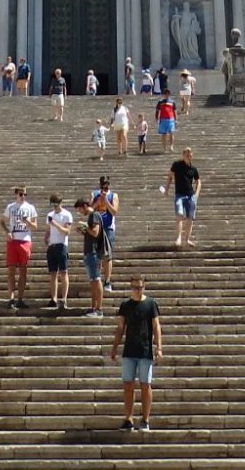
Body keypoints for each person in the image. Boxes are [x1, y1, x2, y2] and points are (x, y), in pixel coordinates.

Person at [108, 275, 162, 431]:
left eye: (140, 287)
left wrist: (159, 347)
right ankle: (128, 418)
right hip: (129, 350)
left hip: (145, 350)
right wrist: (114, 347)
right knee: (128, 385)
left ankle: (145, 419)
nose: (137, 290)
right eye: (134, 287)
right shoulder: (126, 305)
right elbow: (120, 327)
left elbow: (156, 326)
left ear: (144, 287)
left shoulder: (151, 304)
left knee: (145, 385)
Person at [0, 185, 38, 307]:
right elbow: (2, 221)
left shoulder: (30, 208)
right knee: (11, 270)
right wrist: (7, 232)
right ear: (16, 194)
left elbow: (35, 226)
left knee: (23, 271)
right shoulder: (10, 207)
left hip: (25, 240)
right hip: (13, 241)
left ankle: (20, 299)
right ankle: (11, 298)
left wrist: (27, 221)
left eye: (25, 194)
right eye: (21, 194)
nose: (23, 197)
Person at [75, 197, 110, 315]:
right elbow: (92, 233)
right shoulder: (92, 216)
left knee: (96, 279)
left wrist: (84, 225)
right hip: (90, 252)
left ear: (85, 206)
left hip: (93, 253)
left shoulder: (94, 215)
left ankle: (99, 309)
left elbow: (95, 232)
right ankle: (94, 306)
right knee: (92, 281)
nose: (80, 213)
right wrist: (83, 231)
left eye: (80, 210)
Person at [44, 193, 76, 307]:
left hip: (62, 245)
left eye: (56, 204)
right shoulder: (49, 215)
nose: (54, 207)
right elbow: (48, 229)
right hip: (52, 246)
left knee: (63, 272)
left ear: (60, 203)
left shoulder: (67, 215)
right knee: (53, 273)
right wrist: (46, 236)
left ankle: (64, 298)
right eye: (52, 204)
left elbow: (67, 231)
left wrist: (55, 224)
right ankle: (54, 298)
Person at [166, 146, 201, 248]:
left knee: (190, 218)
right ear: (183, 155)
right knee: (179, 215)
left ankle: (187, 239)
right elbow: (170, 177)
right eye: (187, 155)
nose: (189, 157)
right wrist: (167, 189)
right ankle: (179, 238)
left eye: (190, 155)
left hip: (190, 196)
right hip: (179, 195)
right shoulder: (176, 165)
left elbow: (198, 181)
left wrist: (197, 194)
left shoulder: (193, 169)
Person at [91, 177, 120, 283]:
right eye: (103, 184)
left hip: (108, 228)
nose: (105, 186)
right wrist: (97, 202)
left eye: (107, 184)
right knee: (96, 255)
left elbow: (114, 211)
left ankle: (107, 280)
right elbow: (89, 210)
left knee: (107, 255)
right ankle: (97, 279)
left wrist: (106, 201)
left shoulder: (113, 195)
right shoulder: (94, 194)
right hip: (96, 226)